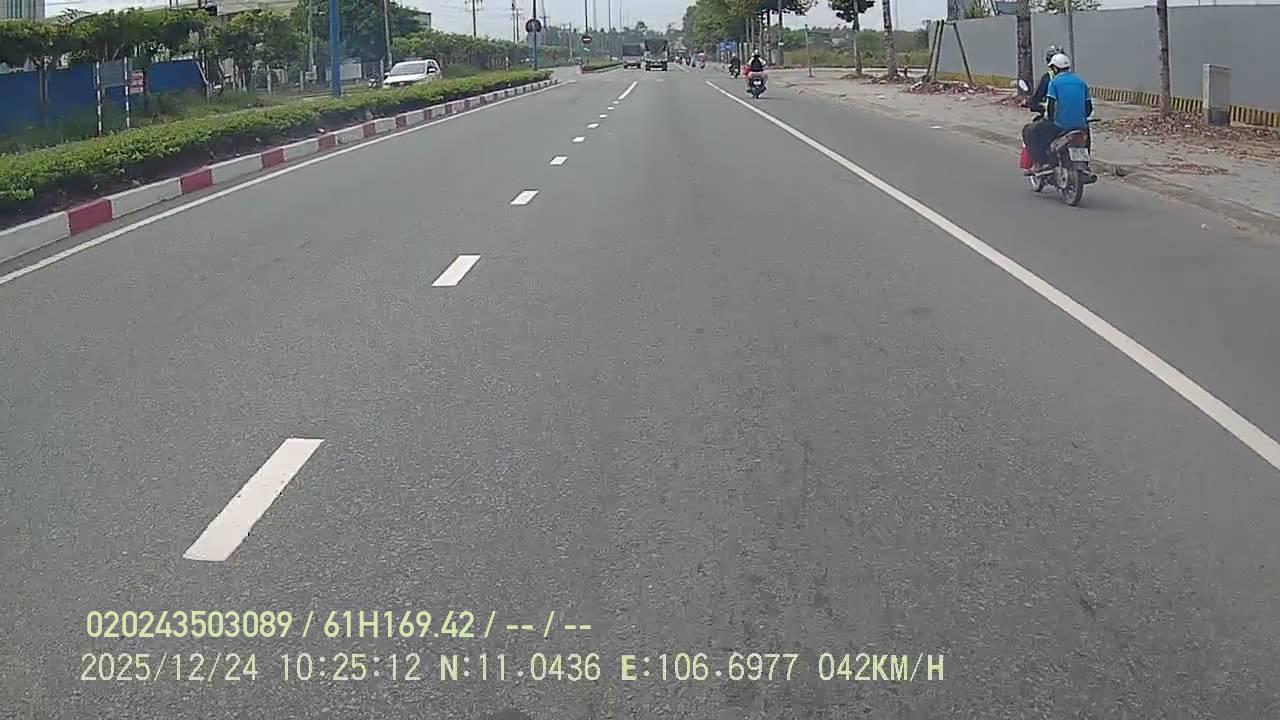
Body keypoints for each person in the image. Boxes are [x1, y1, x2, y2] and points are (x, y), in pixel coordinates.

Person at [1022, 53, 1092, 174]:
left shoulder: (1054, 83)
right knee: (1085, 136)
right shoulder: (1081, 82)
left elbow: (1051, 106)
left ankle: (1039, 164)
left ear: (1055, 68)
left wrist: (1050, 120)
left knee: (1029, 130)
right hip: (1081, 126)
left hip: (1060, 127)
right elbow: (1089, 108)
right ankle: (1085, 165)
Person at [1026, 45, 1060, 114]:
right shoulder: (1075, 79)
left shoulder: (1048, 78)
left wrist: (1029, 102)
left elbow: (1037, 97)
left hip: (1055, 116)